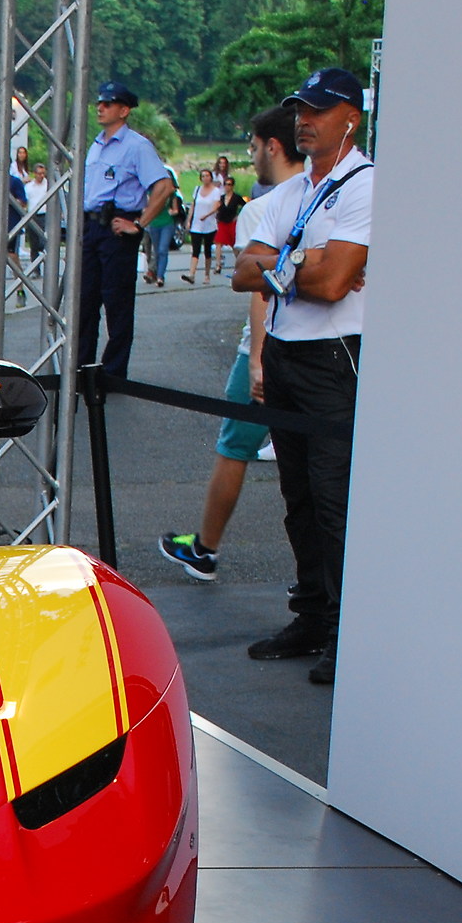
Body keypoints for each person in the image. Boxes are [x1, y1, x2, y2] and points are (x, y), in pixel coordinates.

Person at [232, 67, 373, 686]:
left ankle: (347, 632)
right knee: (298, 497)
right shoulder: (292, 192)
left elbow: (337, 282)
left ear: (352, 118)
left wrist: (283, 262)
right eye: (300, 110)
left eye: (318, 109)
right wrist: (303, 262)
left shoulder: (364, 185)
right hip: (289, 351)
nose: (304, 120)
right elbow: (240, 270)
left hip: (334, 354)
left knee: (333, 498)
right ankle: (313, 616)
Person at [161, 104, 305, 583]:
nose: (251, 156)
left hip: (266, 349)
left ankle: (205, 548)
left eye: (253, 146)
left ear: (272, 147)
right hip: (323, 351)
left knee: (234, 445)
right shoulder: (323, 196)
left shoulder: (263, 209)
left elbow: (263, 291)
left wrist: (259, 360)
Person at [76, 80, 175, 377]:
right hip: (91, 225)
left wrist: (139, 224)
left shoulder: (136, 146)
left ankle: (113, 371)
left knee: (116, 301)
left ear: (124, 110)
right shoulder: (95, 144)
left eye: (108, 104)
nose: (100, 108)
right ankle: (81, 367)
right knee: (85, 300)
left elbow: (164, 186)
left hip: (117, 226)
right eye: (99, 104)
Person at [185, 159, 227, 283]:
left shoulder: (215, 191)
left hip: (209, 224)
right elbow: (193, 205)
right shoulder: (197, 190)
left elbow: (216, 206)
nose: (205, 178)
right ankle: (191, 274)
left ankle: (207, 275)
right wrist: (189, 220)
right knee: (195, 249)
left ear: (210, 177)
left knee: (207, 250)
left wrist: (207, 215)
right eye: (203, 176)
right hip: (196, 224)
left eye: (207, 176)